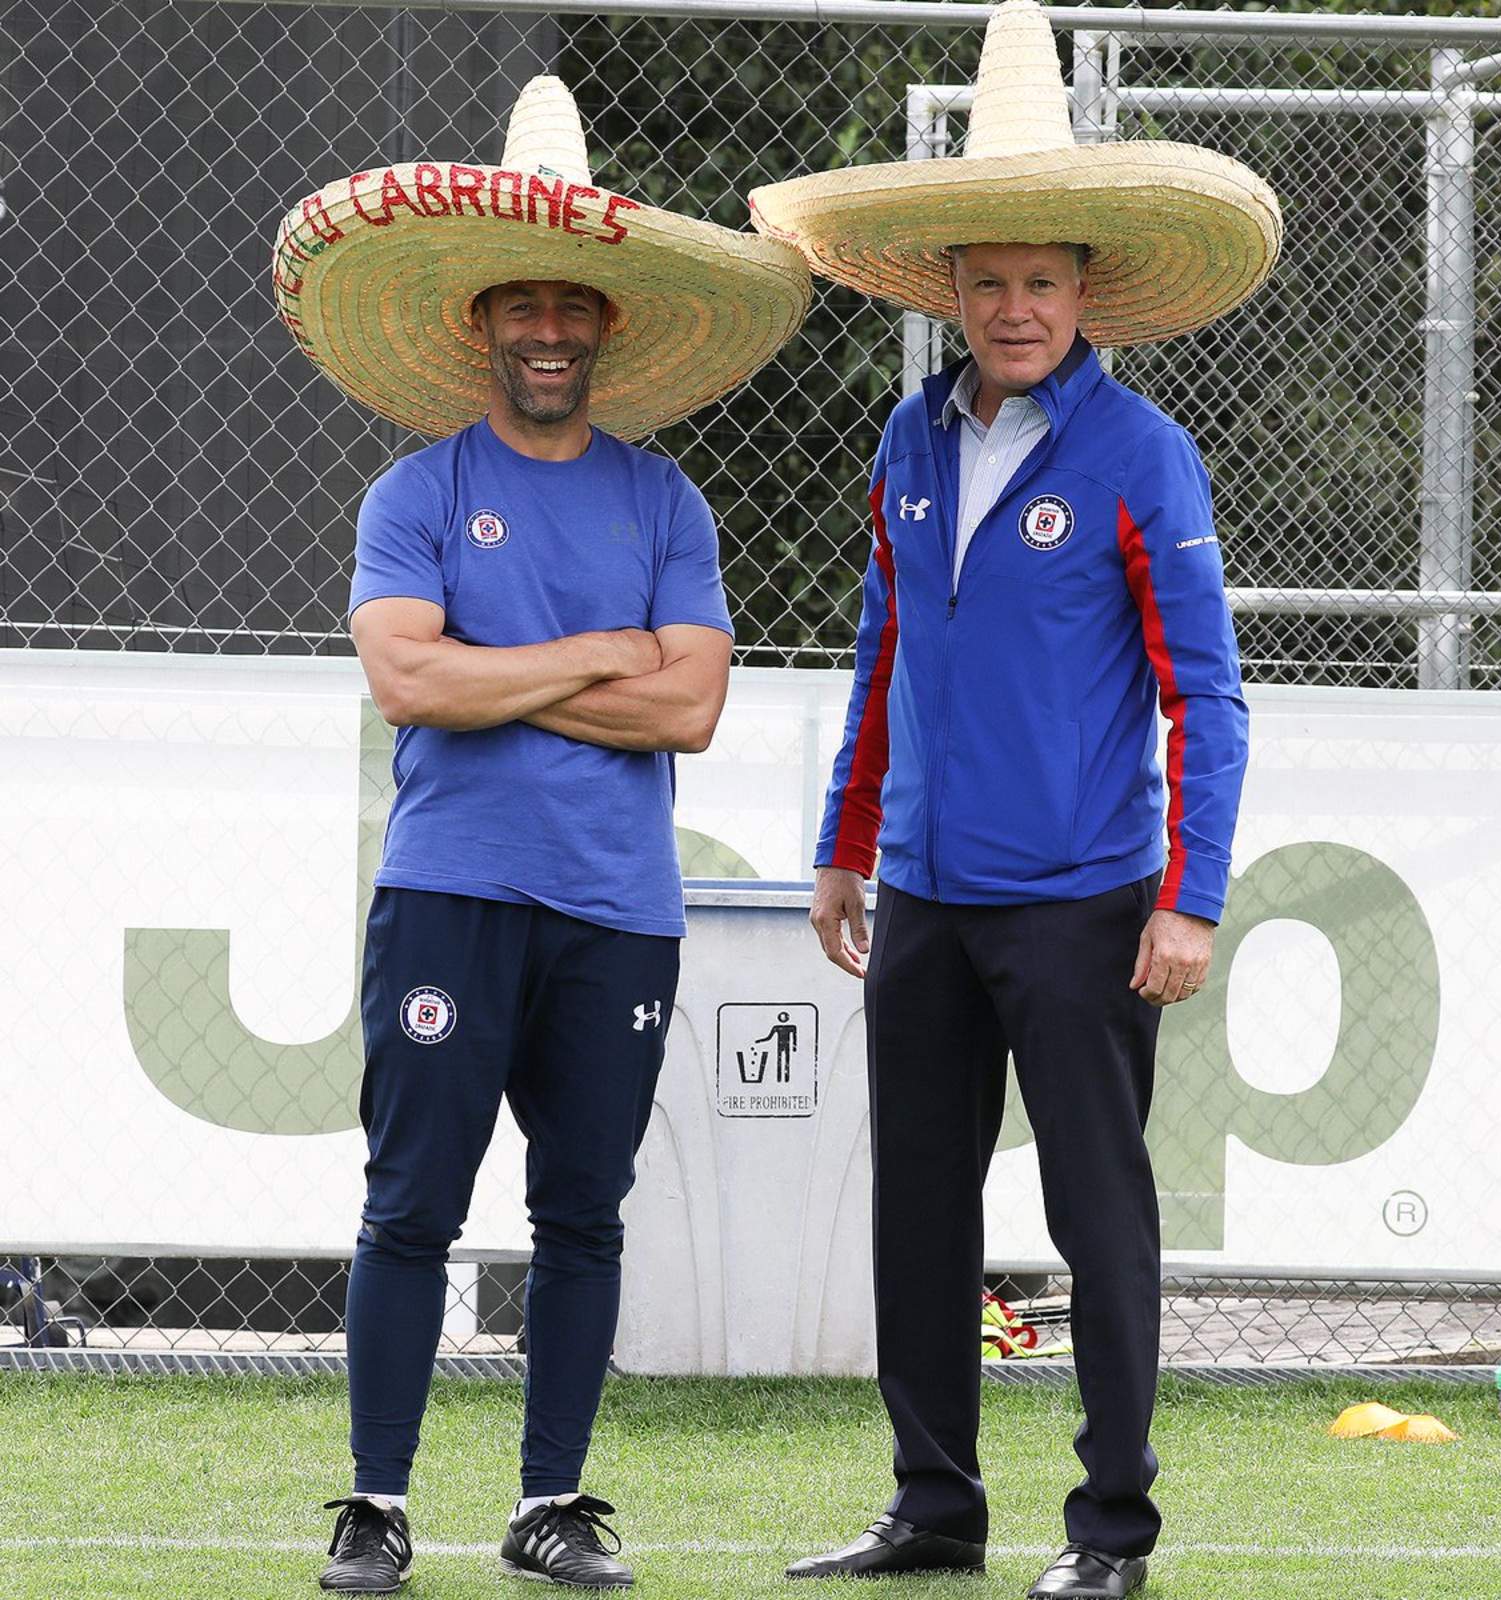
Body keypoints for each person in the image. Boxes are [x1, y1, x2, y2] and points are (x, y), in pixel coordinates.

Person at [750, 4, 1280, 1596]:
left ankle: (1111, 1532)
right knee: (918, 1213)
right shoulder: (908, 439)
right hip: (920, 897)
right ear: (953, 292)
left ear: (1085, 291)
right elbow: (882, 653)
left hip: (1083, 907)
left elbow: (1208, 695)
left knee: (1097, 1220)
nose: (1015, 309)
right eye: (988, 283)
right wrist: (845, 850)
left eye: (1042, 282)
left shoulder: (1143, 455)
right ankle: (935, 1510)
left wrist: (1192, 897)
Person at [270, 73, 810, 1594]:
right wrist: (594, 656)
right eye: (525, 305)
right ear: (484, 322)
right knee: (410, 1209)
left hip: (617, 907)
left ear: (606, 326)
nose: (551, 330)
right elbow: (406, 681)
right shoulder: (416, 491)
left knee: (584, 1214)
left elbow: (691, 707)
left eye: (575, 305)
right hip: (451, 892)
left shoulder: (666, 501)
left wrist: (498, 672)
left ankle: (551, 1503)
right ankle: (377, 1504)